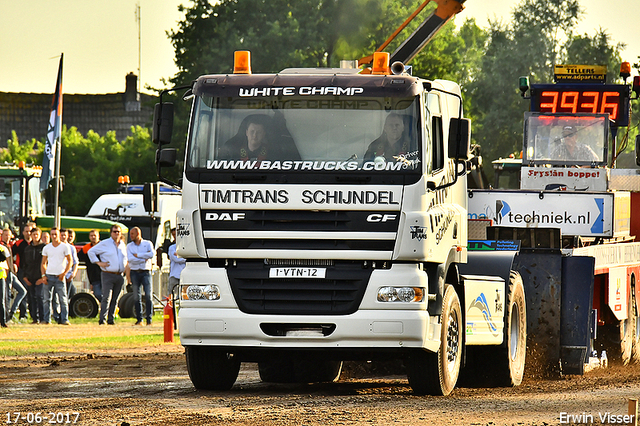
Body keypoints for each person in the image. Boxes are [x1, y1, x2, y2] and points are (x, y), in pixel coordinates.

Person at [88, 225, 127, 325]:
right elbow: (91, 251)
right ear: (111, 233)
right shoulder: (105, 243)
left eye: (118, 232)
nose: (117, 233)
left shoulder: (122, 244)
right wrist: (98, 262)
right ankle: (103, 319)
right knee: (106, 297)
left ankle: (111, 318)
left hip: (120, 275)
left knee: (115, 298)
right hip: (108, 274)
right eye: (114, 231)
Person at [40, 228, 72, 325]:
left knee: (63, 299)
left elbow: (70, 261)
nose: (54, 236)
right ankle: (46, 319)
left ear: (59, 235)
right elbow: (43, 263)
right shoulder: (47, 248)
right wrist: (43, 275)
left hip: (60, 276)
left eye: (56, 234)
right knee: (46, 299)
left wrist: (64, 273)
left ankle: (64, 319)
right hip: (49, 275)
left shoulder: (64, 247)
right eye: (52, 234)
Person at [126, 227, 154, 326]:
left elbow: (151, 254)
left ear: (138, 234)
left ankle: (149, 319)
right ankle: (139, 319)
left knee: (148, 295)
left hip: (146, 272)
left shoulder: (148, 243)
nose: (131, 236)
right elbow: (130, 259)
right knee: (136, 296)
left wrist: (138, 255)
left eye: (132, 234)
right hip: (134, 272)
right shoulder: (129, 246)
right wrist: (143, 257)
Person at [1, 228, 26, 324]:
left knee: (23, 291)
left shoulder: (11, 245)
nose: (7, 237)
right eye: (5, 235)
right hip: (5, 273)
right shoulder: (2, 246)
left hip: (12, 273)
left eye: (9, 235)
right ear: (2, 236)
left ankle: (11, 313)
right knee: (6, 295)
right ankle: (6, 317)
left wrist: (14, 264)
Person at [22, 227, 46, 324]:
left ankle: (42, 317)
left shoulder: (44, 247)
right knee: (31, 298)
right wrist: (25, 276)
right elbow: (24, 263)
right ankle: (34, 318)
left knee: (40, 296)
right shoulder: (27, 249)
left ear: (40, 235)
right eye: (33, 234)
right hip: (29, 277)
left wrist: (43, 276)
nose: (35, 236)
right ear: (30, 235)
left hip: (40, 277)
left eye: (37, 234)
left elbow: (46, 262)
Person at [12, 224, 33, 320]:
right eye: (26, 231)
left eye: (30, 231)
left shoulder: (36, 243)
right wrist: (14, 264)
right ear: (23, 232)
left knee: (33, 293)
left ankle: (34, 315)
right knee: (23, 292)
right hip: (22, 270)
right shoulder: (18, 243)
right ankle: (23, 315)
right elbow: (10, 254)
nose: (28, 233)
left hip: (34, 271)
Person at [79, 230, 102, 302]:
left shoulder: (104, 246)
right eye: (91, 236)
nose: (93, 237)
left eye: (95, 235)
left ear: (98, 236)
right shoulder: (86, 248)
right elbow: (78, 258)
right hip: (94, 277)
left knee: (107, 294)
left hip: (106, 274)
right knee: (97, 294)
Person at [167, 228, 184, 298]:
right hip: (174, 274)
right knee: (171, 293)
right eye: (173, 235)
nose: (174, 237)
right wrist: (185, 256)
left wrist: (179, 255)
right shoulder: (172, 247)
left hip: (183, 274)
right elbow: (176, 259)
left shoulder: (186, 247)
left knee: (182, 294)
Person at [0, 243, 11, 327]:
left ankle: (3, 321)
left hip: (1, 277)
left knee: (1, 300)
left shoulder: (2, 248)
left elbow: (4, 260)